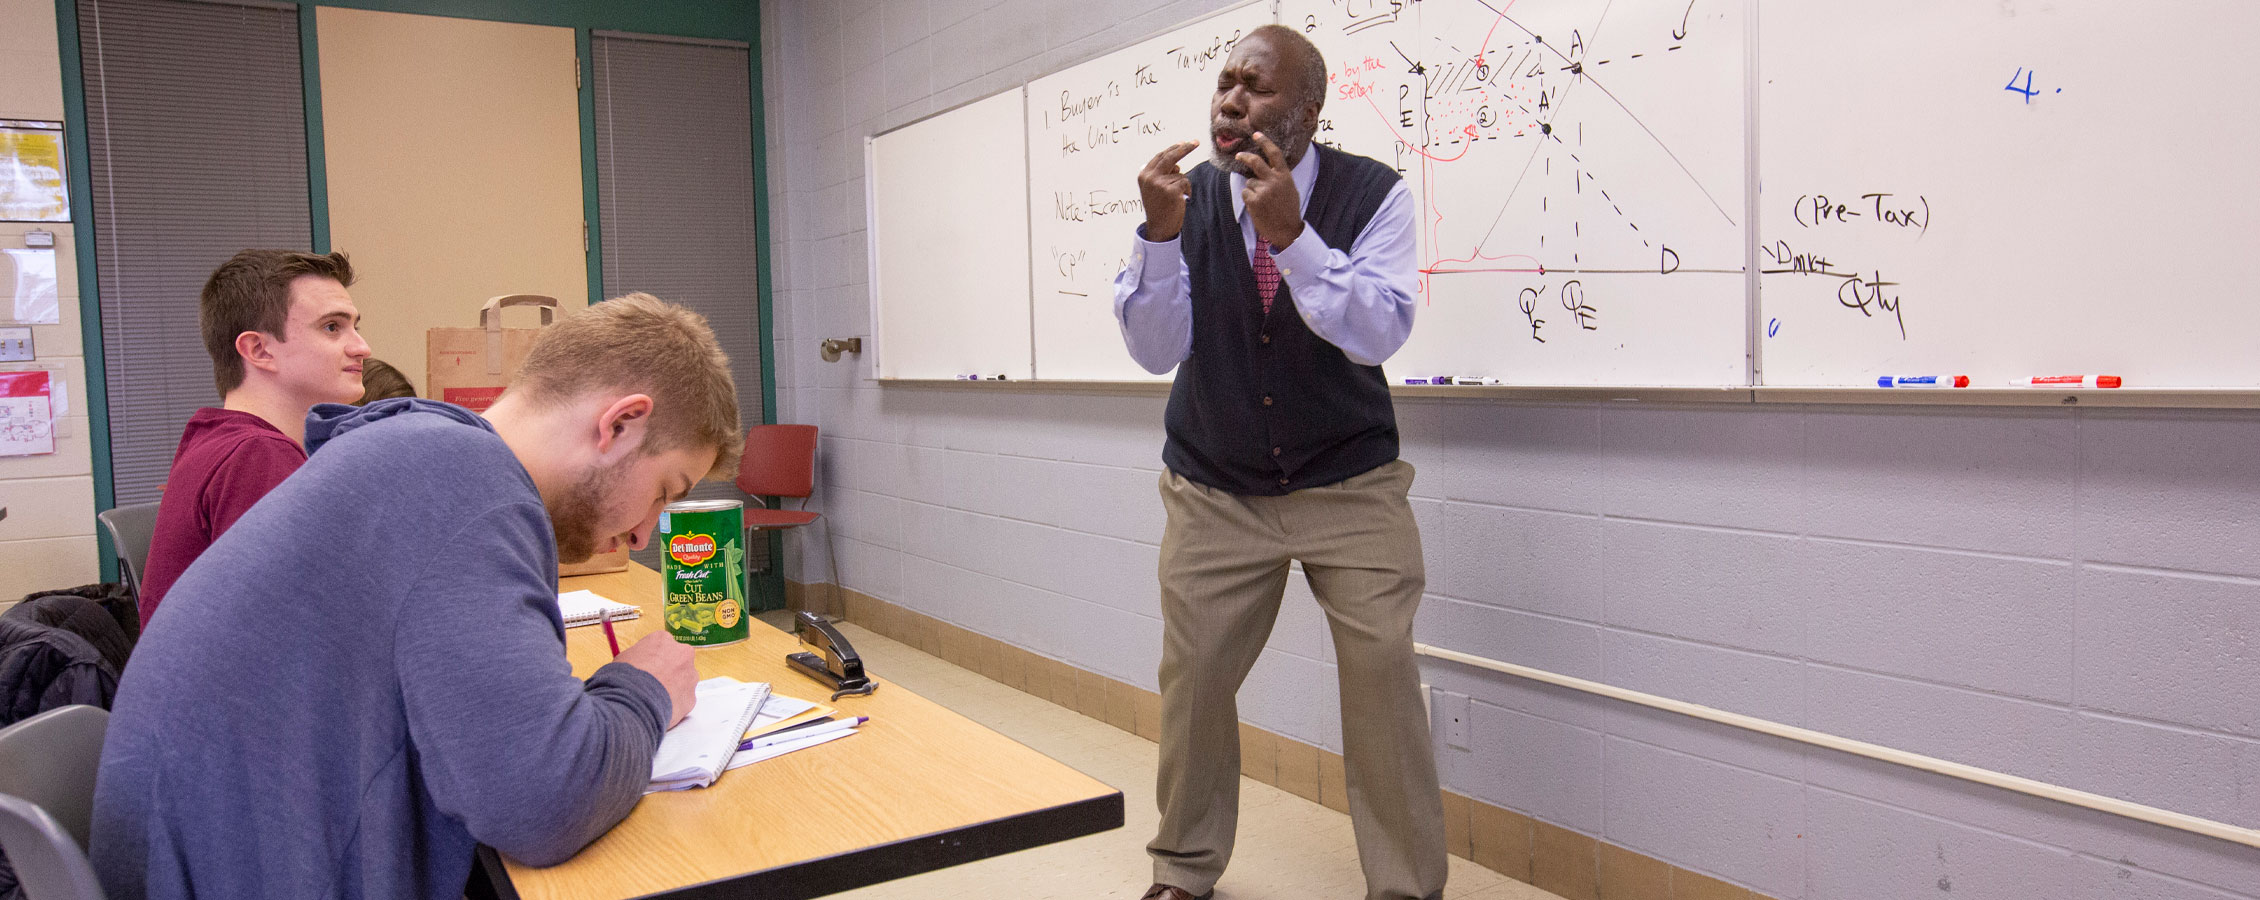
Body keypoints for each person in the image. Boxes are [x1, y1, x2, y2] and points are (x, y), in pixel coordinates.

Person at [90, 293, 743, 900]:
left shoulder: (423, 453)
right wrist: (643, 688)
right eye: (665, 489)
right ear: (622, 423)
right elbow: (538, 803)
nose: (641, 531)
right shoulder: (464, 489)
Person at [1113, 24, 1445, 900]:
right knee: (1193, 682)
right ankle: (1184, 870)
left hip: (1351, 484)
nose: (1229, 101)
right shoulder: (1181, 204)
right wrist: (1155, 240)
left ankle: (1406, 887)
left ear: (1306, 111)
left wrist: (1295, 241)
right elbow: (1157, 350)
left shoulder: (1377, 197)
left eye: (1254, 87)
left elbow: (1379, 330)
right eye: (1223, 84)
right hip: (1214, 486)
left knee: (1383, 684)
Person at [136, 249, 372, 627]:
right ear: (258, 350)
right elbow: (306, 627)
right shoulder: (257, 456)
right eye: (332, 327)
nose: (362, 347)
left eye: (356, 327)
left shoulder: (220, 440)